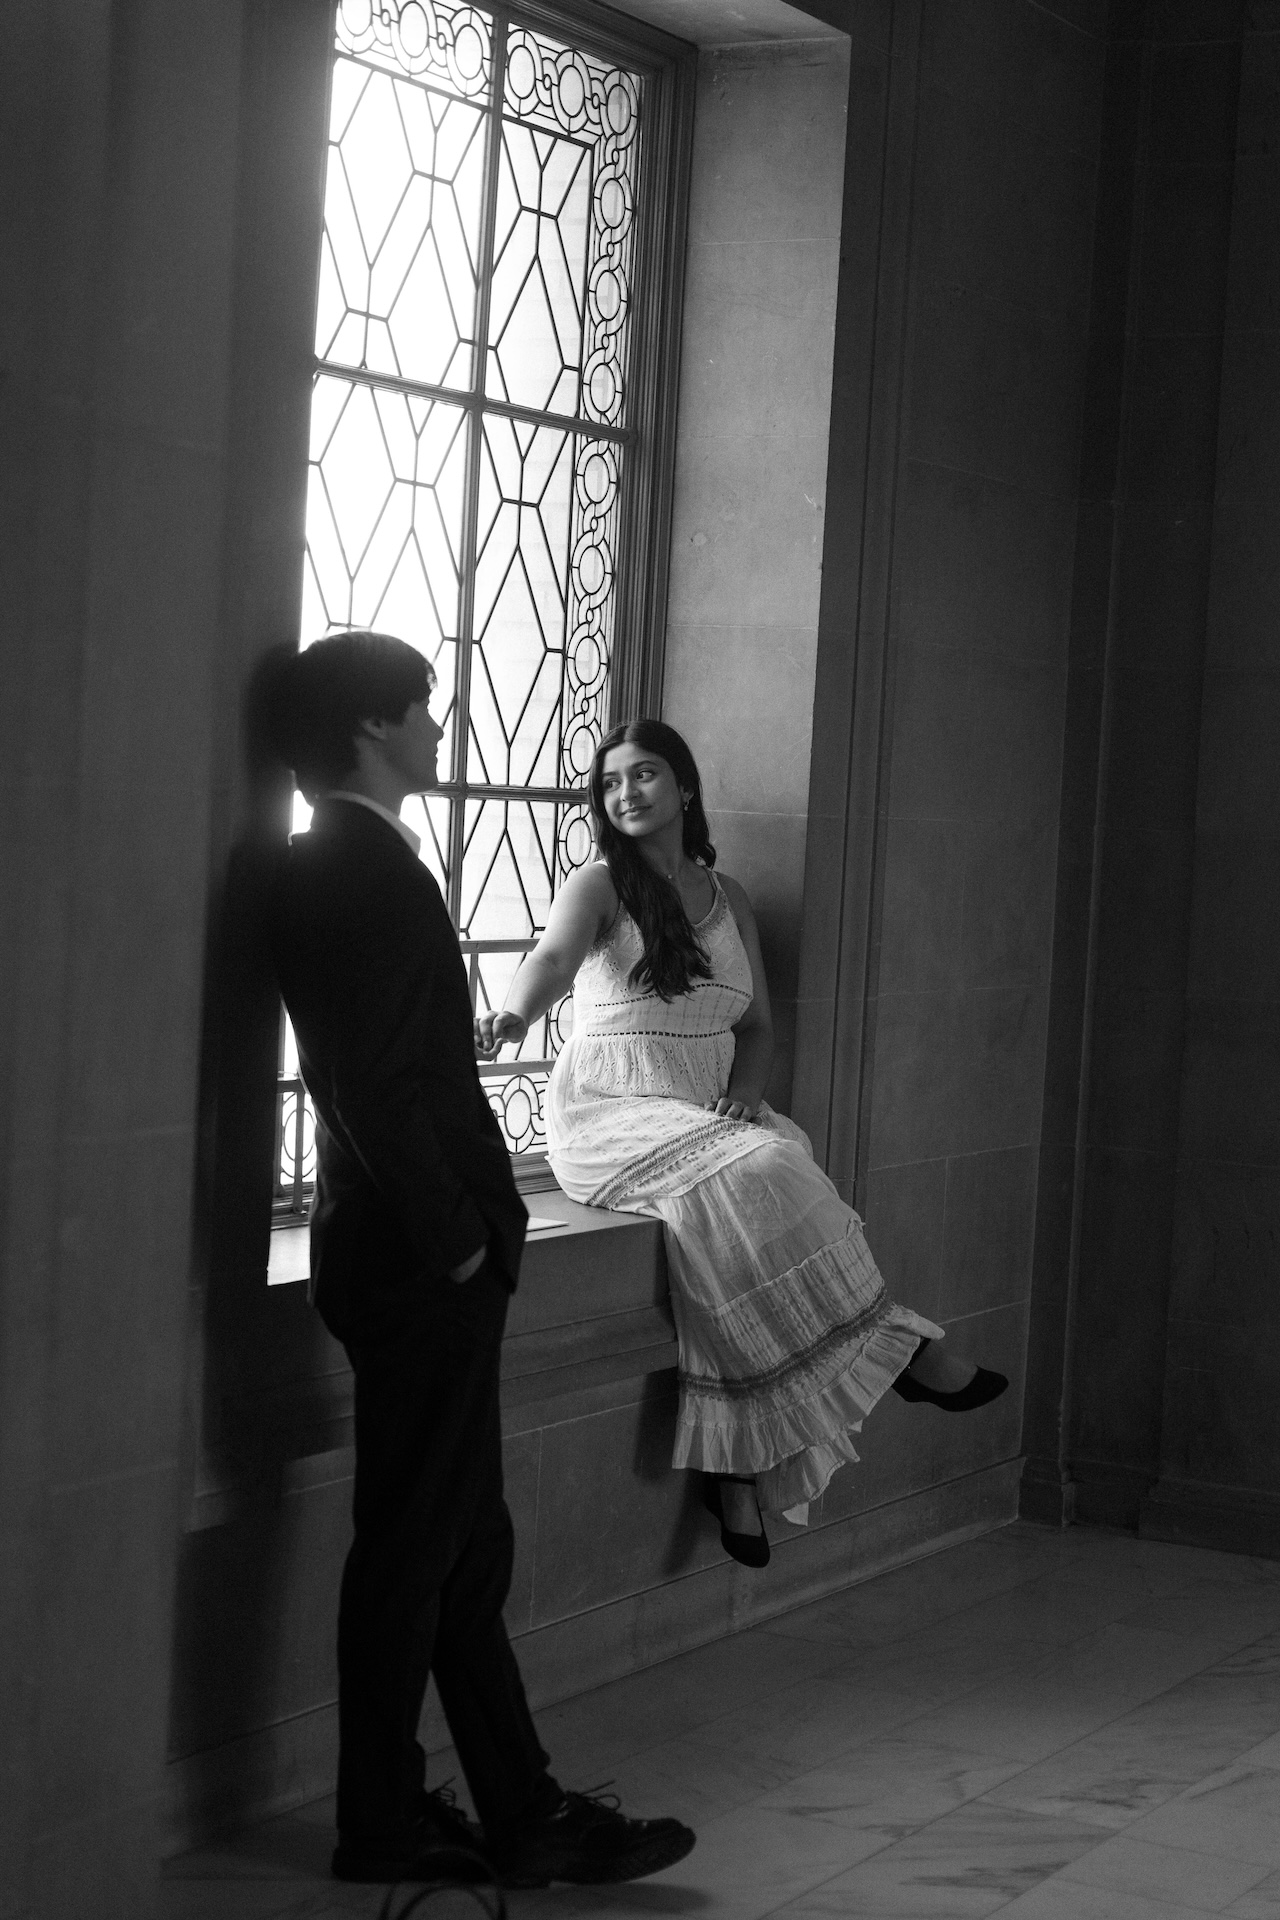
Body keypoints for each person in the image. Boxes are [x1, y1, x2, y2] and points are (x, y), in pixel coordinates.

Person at [265, 636, 695, 1889]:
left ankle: (518, 1809)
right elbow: (371, 1085)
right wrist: (460, 1242)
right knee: (420, 1549)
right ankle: (394, 1818)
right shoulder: (355, 868)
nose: (438, 730)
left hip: (407, 1255)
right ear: (368, 729)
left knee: (460, 1543)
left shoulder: (343, 860)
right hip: (417, 1262)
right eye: (424, 711)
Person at [476, 719, 1007, 1568]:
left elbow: (757, 1025)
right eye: (611, 784)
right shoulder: (600, 884)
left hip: (713, 1110)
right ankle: (903, 1348)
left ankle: (737, 1468)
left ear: (683, 786)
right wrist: (512, 1014)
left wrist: (748, 1093)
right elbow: (550, 956)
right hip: (615, 1109)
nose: (626, 795)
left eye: (643, 775)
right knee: (767, 1170)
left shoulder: (732, 901)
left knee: (740, 1222)